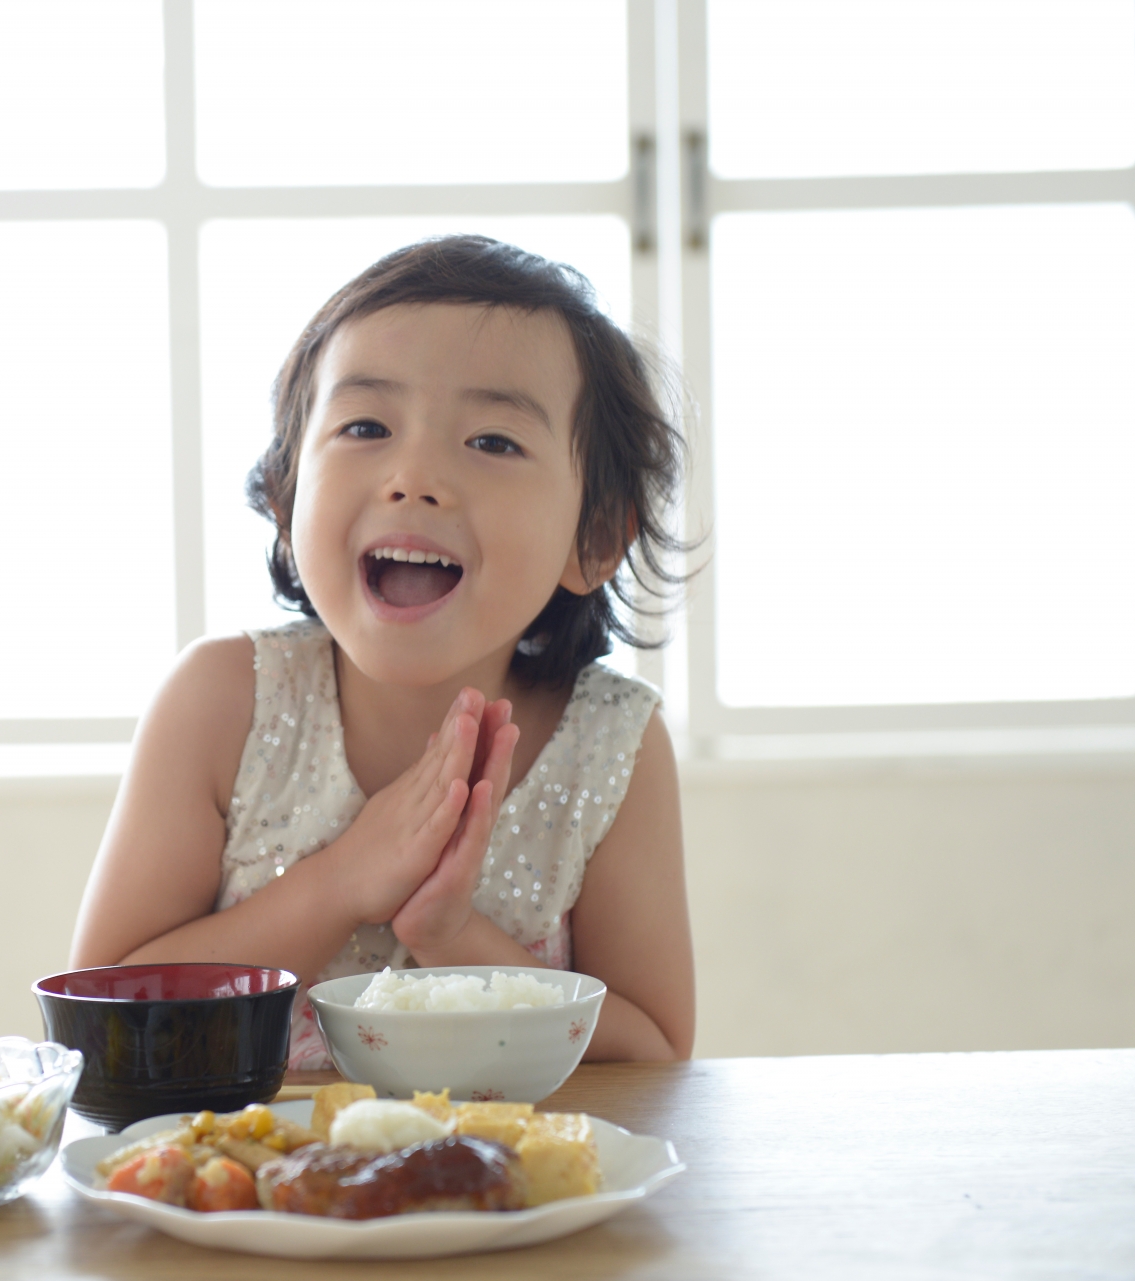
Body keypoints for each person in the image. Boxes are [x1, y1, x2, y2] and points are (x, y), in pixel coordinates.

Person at [70, 235, 695, 1065]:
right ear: (289, 498)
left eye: (493, 441)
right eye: (366, 425)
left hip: (499, 1190)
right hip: (240, 1187)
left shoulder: (610, 744)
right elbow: (99, 1015)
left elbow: (651, 1054)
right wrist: (342, 881)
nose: (415, 476)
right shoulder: (222, 703)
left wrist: (451, 933)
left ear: (596, 536)